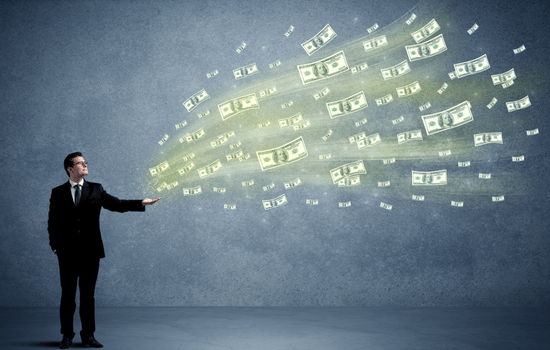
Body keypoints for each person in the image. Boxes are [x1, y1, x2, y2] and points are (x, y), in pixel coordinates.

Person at [47, 152, 161, 349]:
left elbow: (116, 204)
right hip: (67, 253)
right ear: (70, 169)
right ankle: (66, 335)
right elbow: (52, 223)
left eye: (85, 162)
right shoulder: (58, 192)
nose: (85, 165)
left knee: (87, 295)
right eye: (80, 163)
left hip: (91, 252)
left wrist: (141, 202)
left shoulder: (96, 189)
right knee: (68, 296)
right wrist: (56, 247)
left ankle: (88, 336)